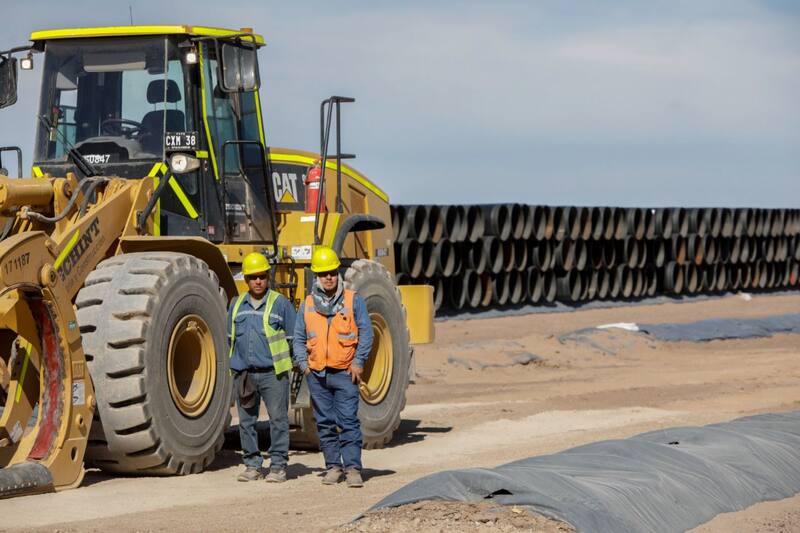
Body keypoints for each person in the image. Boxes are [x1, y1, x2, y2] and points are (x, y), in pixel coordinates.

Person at [293, 246, 373, 488]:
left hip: (345, 374)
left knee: (348, 421)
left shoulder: (352, 301)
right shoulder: (307, 304)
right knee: (325, 422)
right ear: (316, 277)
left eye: (332, 272)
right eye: (323, 273)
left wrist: (358, 362)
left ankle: (353, 468)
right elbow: (298, 337)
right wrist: (304, 366)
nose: (328, 277)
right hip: (317, 375)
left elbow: (367, 333)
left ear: (338, 273)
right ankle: (333, 467)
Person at [228, 252, 296, 483]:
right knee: (246, 422)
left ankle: (278, 466)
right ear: (246, 280)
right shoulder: (236, 305)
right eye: (253, 277)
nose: (258, 281)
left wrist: (294, 365)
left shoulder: (281, 304)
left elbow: (292, 338)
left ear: (268, 277)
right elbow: (230, 339)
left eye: (262, 276)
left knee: (278, 419)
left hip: (273, 374)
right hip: (245, 374)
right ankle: (252, 465)